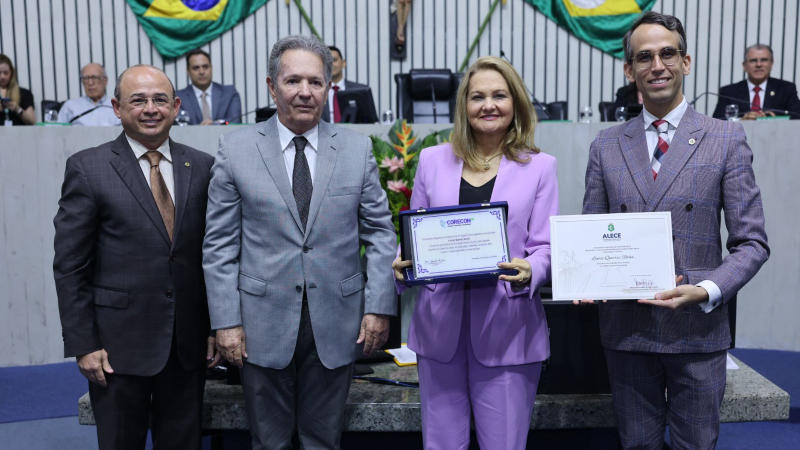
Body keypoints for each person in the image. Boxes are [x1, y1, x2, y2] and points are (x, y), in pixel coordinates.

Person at [581, 12, 769, 449]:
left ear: (686, 62)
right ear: (630, 71)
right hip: (627, 330)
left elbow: (752, 243)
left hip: (696, 330)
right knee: (638, 445)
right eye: (644, 57)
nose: (657, 65)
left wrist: (705, 290)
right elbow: (593, 232)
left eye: (667, 53)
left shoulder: (726, 138)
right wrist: (585, 272)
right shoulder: (606, 146)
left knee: (696, 445)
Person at [203, 35, 397, 449]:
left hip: (337, 321)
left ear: (329, 86)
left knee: (323, 442)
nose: (304, 92)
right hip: (259, 324)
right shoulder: (235, 149)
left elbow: (381, 234)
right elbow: (219, 246)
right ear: (271, 86)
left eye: (315, 81)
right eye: (292, 81)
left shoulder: (356, 149)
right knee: (268, 443)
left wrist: (379, 307)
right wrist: (225, 322)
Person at [392, 56, 558, 449]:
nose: (488, 105)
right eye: (477, 96)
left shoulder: (540, 167)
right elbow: (413, 235)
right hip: (439, 332)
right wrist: (402, 264)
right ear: (463, 106)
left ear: (515, 102)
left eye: (499, 95)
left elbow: (547, 248)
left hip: (508, 331)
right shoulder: (432, 160)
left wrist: (532, 269)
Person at [53, 64, 219, 450]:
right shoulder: (88, 168)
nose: (150, 108)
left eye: (160, 99)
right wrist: (84, 343)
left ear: (176, 106)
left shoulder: (204, 166)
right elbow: (70, 265)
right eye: (138, 100)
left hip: (186, 346)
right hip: (116, 350)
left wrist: (213, 328)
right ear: (116, 107)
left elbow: (212, 256)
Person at [712, 43, 800, 120]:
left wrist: (775, 120)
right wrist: (741, 121)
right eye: (753, 60)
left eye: (764, 60)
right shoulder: (729, 92)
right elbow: (717, 122)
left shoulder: (786, 89)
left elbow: (797, 118)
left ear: (771, 64)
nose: (759, 65)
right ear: (744, 65)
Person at [176, 49, 242, 124]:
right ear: (188, 71)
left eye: (205, 67)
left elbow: (235, 121)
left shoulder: (229, 93)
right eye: (196, 68)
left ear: (211, 67)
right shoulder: (179, 98)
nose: (201, 72)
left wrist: (214, 124)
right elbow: (179, 126)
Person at [321, 45, 370, 123]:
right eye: (327, 61)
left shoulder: (360, 90)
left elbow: (368, 121)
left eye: (334, 60)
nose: (331, 64)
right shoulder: (318, 91)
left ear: (344, 63)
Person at [0, 54, 35, 125]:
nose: (2, 77)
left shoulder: (24, 93)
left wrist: (18, 109)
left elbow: (32, 122)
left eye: (6, 73)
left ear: (11, 73)